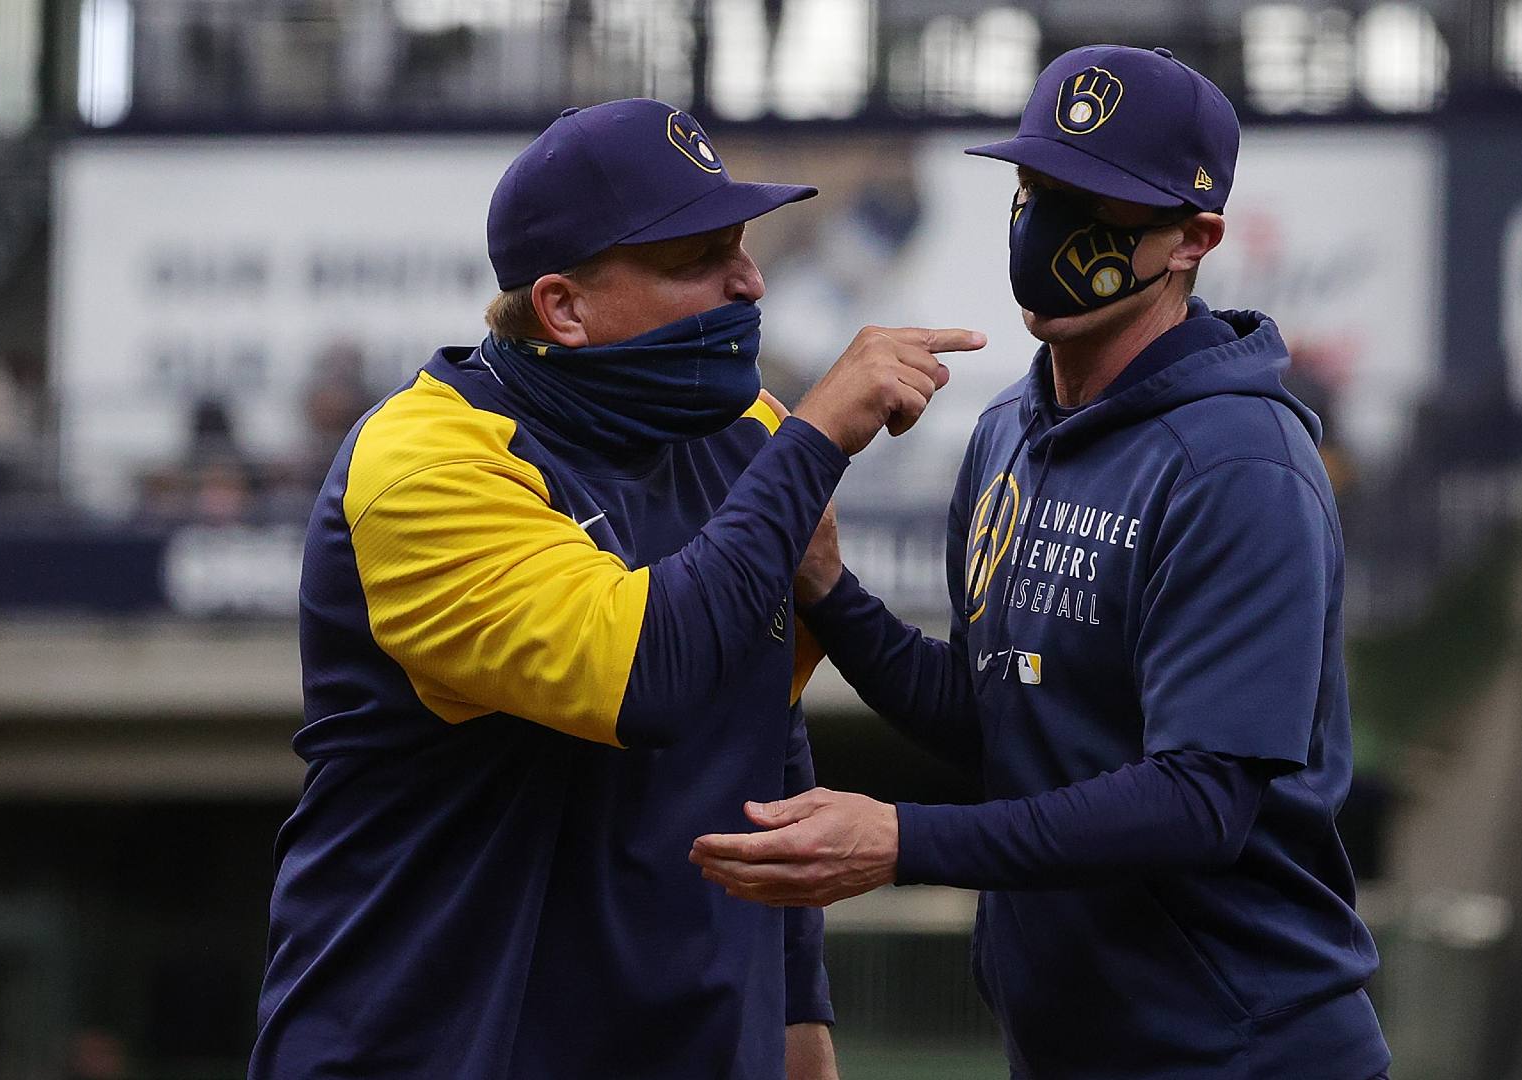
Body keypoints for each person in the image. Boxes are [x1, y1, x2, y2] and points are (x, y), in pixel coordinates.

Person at [692, 47, 1391, 1079]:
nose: (1050, 227)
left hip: (1242, 1048)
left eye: (1095, 206)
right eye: (1035, 190)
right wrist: (830, 593)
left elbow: (1200, 802)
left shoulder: (1241, 464)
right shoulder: (1012, 427)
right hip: (1068, 1041)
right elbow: (1000, 723)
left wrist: (901, 841)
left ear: (1194, 240)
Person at [251, 98, 984, 1080]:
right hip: (431, 1042)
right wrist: (816, 439)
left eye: (743, 244)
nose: (751, 280)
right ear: (563, 306)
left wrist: (800, 1019)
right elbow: (649, 679)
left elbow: (763, 731)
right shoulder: (427, 461)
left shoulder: (750, 435)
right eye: (698, 259)